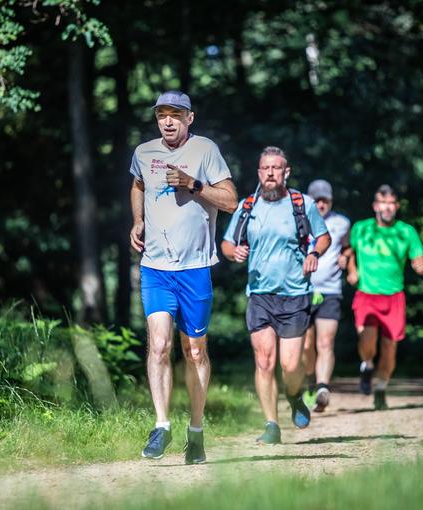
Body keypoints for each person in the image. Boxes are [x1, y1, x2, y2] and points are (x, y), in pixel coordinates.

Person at [129, 90, 238, 464]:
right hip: (156, 267)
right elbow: (137, 184)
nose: (168, 121)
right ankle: (161, 425)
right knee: (159, 345)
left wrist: (193, 184)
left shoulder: (205, 150)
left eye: (176, 114)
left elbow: (230, 200)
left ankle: (196, 430)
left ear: (190, 118)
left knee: (194, 351)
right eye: (162, 115)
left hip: (195, 268)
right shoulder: (144, 152)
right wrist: (138, 219)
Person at [221, 146, 331, 444]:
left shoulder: (302, 204)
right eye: (265, 168)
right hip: (259, 294)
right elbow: (227, 244)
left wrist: (314, 253)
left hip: (295, 294)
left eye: (276, 168)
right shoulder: (247, 207)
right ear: (259, 172)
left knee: (291, 365)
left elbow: (323, 237)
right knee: (264, 360)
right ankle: (271, 424)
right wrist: (235, 253)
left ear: (286, 172)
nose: (270, 173)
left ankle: (294, 396)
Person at [346, 185, 423, 410]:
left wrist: (421, 265)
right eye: (383, 202)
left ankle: (381, 389)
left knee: (390, 347)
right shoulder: (361, 229)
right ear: (375, 206)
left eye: (391, 203)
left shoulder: (406, 231)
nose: (387, 207)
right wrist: (352, 269)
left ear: (397, 207)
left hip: (394, 296)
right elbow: (348, 252)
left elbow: (420, 259)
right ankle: (367, 364)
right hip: (367, 294)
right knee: (367, 339)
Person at [301, 179, 351, 412]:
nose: (321, 204)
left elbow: (347, 246)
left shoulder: (342, 223)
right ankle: (311, 381)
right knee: (305, 345)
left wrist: (347, 258)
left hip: (330, 289)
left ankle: (323, 387)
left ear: (331, 201)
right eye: (317, 200)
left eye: (325, 200)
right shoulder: (298, 218)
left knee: (325, 342)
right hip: (301, 289)